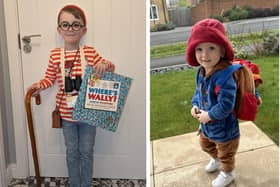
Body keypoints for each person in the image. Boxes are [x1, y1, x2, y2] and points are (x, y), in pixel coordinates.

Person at [27, 5, 115, 187]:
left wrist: (105, 65)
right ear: (59, 29)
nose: (70, 29)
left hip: (89, 114)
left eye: (76, 25)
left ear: (84, 30)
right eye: (65, 25)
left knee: (87, 151)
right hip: (66, 116)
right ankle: (75, 184)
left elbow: (109, 69)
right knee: (72, 152)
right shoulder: (55, 55)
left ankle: (86, 185)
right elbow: (49, 79)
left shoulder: (89, 52)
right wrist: (38, 86)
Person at [186, 19, 245, 187]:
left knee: (226, 152)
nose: (204, 55)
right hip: (207, 125)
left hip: (225, 128)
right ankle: (215, 159)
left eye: (211, 48)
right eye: (199, 49)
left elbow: (227, 105)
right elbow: (198, 92)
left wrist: (210, 115)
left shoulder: (226, 76)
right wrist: (195, 105)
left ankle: (228, 173)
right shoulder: (201, 71)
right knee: (205, 144)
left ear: (222, 50)